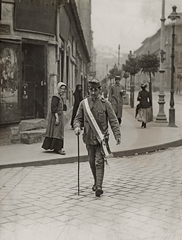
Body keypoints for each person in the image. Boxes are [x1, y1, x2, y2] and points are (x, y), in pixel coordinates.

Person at [74, 79, 121, 197]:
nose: (93, 92)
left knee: (99, 161)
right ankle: (96, 181)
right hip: (89, 138)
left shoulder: (106, 104)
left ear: (100, 90)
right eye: (91, 90)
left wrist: (117, 135)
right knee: (91, 162)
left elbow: (113, 120)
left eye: (96, 90)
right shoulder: (83, 104)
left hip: (102, 139)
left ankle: (99, 186)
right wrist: (77, 127)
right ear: (88, 90)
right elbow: (77, 119)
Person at [42, 82, 67, 155]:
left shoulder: (60, 97)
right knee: (57, 132)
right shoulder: (55, 97)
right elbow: (53, 108)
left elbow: (63, 107)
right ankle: (58, 148)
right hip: (55, 116)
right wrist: (57, 118)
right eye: (61, 88)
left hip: (60, 116)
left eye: (64, 89)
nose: (63, 90)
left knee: (58, 132)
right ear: (58, 88)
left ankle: (56, 147)